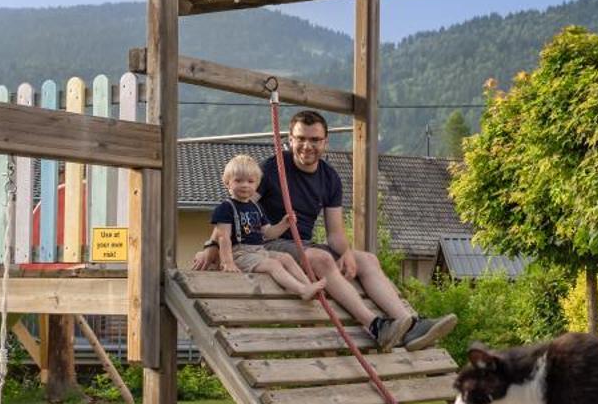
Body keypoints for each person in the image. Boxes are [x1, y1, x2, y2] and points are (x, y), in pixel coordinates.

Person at [192, 110, 456, 352]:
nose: (308, 146)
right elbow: (235, 207)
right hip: (269, 244)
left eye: (315, 140)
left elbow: (335, 233)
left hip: (303, 244)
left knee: (367, 260)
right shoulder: (273, 169)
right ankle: (375, 326)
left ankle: (409, 325)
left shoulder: (330, 177)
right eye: (301, 139)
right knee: (321, 258)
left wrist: (348, 254)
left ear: (325, 142)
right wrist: (212, 246)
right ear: (289, 140)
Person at [211, 154, 322, 301]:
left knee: (286, 258)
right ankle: (302, 290)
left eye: (250, 181)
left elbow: (268, 233)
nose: (245, 185)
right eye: (238, 181)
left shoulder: (256, 207)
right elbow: (223, 237)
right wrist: (227, 262)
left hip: (259, 251)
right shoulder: (226, 208)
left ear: (256, 185)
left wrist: (284, 224)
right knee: (273, 265)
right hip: (239, 254)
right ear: (227, 183)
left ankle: (308, 285)